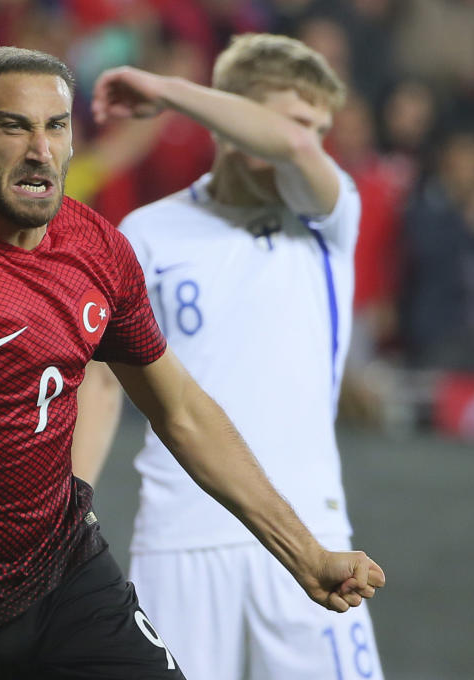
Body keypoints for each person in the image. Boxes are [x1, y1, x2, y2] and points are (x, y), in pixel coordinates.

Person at [0, 45, 384, 680]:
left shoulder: (98, 249)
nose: (40, 150)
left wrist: (308, 558)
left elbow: (179, 410)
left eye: (56, 126)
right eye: (13, 126)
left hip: (63, 572)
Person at [74, 34, 385, 680]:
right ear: (235, 116)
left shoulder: (329, 218)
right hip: (178, 537)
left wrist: (165, 92)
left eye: (323, 128)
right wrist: (68, 503)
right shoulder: (148, 234)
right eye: (293, 119)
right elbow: (102, 384)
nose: (309, 141)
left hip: (315, 534)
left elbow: (295, 150)